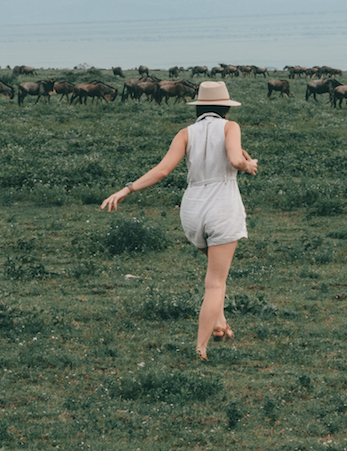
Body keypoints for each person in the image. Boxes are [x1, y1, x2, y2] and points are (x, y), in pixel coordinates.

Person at [101, 80, 258, 360]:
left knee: (214, 273)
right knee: (215, 283)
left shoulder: (185, 133)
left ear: (198, 107)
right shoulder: (230, 127)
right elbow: (235, 160)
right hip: (221, 205)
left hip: (192, 209)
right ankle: (201, 347)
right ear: (226, 109)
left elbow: (162, 171)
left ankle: (220, 324)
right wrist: (248, 165)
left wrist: (127, 189)